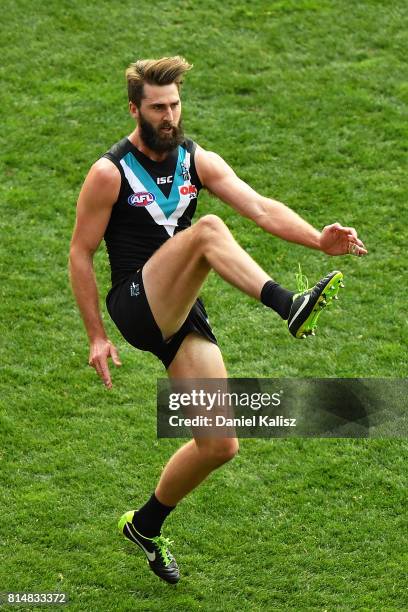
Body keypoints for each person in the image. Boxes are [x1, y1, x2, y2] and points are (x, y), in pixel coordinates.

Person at [69, 56, 367, 584]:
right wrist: (96, 334)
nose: (169, 115)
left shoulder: (194, 159)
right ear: (134, 108)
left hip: (180, 309)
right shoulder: (108, 172)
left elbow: (259, 207)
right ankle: (287, 303)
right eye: (158, 107)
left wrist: (318, 239)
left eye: (175, 104)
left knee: (219, 443)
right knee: (206, 230)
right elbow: (80, 253)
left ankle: (145, 524)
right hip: (135, 302)